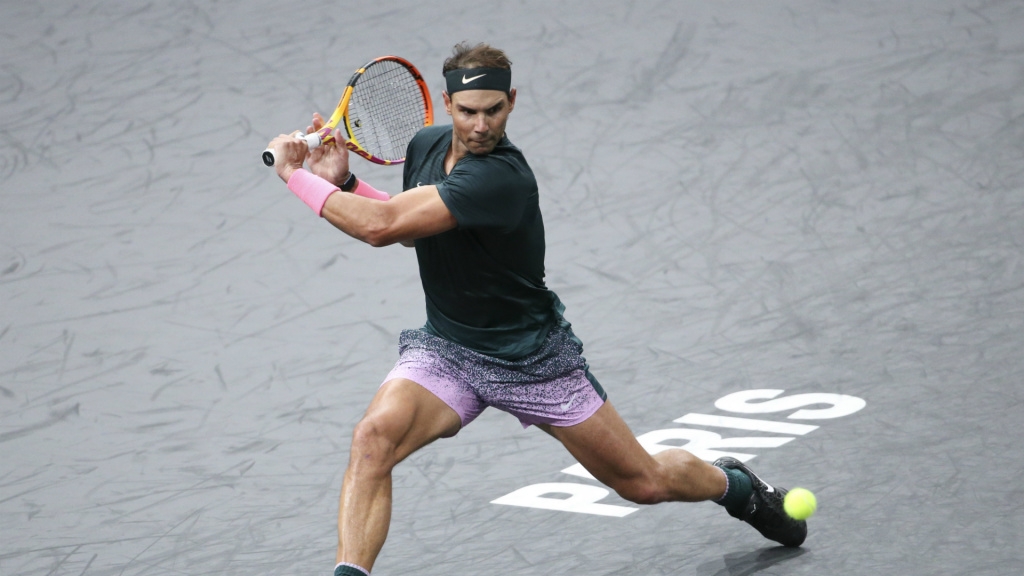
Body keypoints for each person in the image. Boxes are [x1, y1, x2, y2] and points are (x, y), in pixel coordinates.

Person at [265, 42, 807, 576]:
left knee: (643, 482)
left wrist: (297, 176)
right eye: (469, 111)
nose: (481, 125)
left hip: (531, 360)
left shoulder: (501, 177)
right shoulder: (427, 146)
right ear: (449, 106)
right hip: (449, 349)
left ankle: (736, 486)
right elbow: (414, 232)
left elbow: (382, 229)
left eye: (494, 110)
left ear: (512, 102)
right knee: (372, 438)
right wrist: (345, 183)